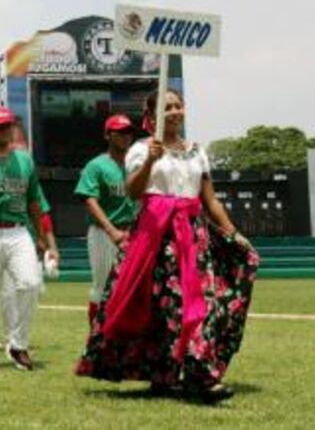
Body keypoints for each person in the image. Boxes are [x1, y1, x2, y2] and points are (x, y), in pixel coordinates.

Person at [76, 89, 259, 403]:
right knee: (164, 308)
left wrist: (233, 233)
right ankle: (163, 375)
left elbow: (209, 199)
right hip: (156, 238)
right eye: (166, 108)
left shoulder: (197, 152)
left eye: (177, 106)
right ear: (152, 116)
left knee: (204, 303)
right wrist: (150, 160)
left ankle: (201, 375)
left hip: (193, 235)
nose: (174, 112)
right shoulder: (140, 149)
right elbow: (133, 192)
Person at [0, 106, 45, 371]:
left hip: (18, 229)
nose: (6, 129)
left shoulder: (25, 160)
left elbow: (34, 200)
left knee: (30, 283)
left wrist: (42, 235)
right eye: (0, 126)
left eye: (10, 125)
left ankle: (18, 344)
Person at [74, 114, 139, 325]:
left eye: (128, 131)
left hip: (133, 232)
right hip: (104, 233)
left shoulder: (136, 166)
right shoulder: (97, 165)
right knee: (102, 286)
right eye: (119, 132)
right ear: (107, 135)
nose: (125, 136)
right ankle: (95, 337)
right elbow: (89, 199)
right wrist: (111, 231)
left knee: (133, 287)